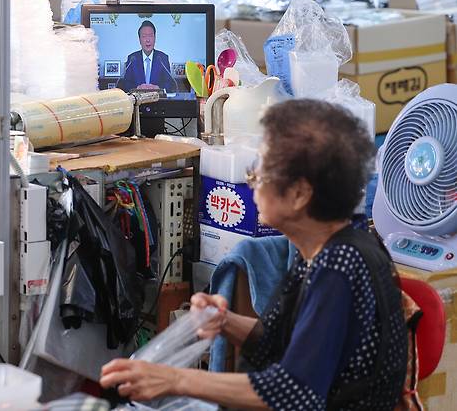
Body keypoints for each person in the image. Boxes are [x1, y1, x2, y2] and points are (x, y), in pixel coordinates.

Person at [100, 100, 408, 410]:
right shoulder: (323, 248)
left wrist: (174, 380)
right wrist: (224, 321)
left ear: (300, 193)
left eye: (259, 174)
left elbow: (294, 392)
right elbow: (280, 343)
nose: (252, 185)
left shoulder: (340, 266)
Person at [119, 20, 174, 92]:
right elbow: (126, 83)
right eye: (144, 36)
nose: (148, 40)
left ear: (155, 38)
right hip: (138, 101)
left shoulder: (162, 58)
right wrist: (137, 88)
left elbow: (169, 83)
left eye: (151, 36)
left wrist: (158, 88)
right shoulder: (132, 58)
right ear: (139, 40)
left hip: (158, 100)